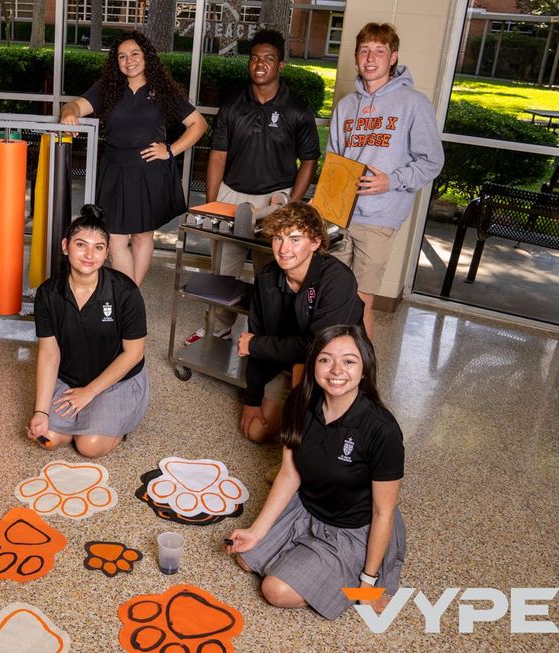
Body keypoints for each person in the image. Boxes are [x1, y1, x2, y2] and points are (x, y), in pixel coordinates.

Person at [226, 325, 406, 621]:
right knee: (246, 559)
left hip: (352, 528)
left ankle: (335, 575)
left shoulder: (382, 429)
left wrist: (367, 583)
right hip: (307, 507)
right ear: (313, 364)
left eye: (349, 361)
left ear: (365, 369)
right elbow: (289, 474)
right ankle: (305, 562)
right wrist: (256, 531)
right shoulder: (300, 401)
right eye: (325, 359)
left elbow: (382, 512)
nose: (336, 370)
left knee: (275, 590)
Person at [187, 29, 321, 345]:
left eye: (269, 59)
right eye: (255, 59)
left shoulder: (297, 109)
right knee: (224, 269)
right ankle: (218, 327)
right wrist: (213, 202)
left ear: (281, 65)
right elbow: (218, 156)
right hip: (232, 195)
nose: (260, 65)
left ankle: (266, 336)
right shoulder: (233, 105)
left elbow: (309, 161)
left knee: (272, 273)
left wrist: (292, 205)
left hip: (274, 200)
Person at [59, 31, 206, 287]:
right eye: (122, 56)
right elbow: (74, 106)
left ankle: (130, 295)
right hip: (115, 168)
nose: (129, 61)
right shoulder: (108, 88)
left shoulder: (163, 90)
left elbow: (198, 124)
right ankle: (130, 295)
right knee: (115, 240)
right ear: (116, 62)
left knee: (142, 236)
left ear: (146, 57)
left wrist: (170, 150)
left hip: (149, 169)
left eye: (135, 54)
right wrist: (68, 114)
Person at [327, 22, 444, 337]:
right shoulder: (346, 106)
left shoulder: (413, 103)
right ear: (356, 56)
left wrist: (391, 181)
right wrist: (323, 206)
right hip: (339, 217)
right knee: (332, 297)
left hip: (378, 219)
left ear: (393, 58)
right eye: (364, 50)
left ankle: (363, 366)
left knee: (360, 302)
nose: (370, 58)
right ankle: (331, 361)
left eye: (379, 51)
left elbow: (433, 161)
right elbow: (334, 163)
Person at [26, 204, 148, 459]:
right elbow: (49, 354)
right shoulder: (48, 293)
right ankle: (80, 425)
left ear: (107, 253)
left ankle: (109, 425)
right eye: (81, 244)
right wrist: (41, 412)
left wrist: (89, 393)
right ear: (65, 246)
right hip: (71, 378)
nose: (89, 254)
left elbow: (134, 354)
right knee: (47, 438)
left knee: (89, 447)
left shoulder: (125, 292)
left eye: (98, 247)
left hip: (117, 380)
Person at [237, 202, 363, 444]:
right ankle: (299, 418)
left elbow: (318, 347)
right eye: (278, 238)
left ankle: (307, 438)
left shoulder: (337, 280)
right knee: (256, 431)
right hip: (289, 361)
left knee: (308, 418)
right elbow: (255, 337)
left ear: (315, 243)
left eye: (295, 239)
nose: (284, 249)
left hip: (333, 367)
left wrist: (256, 345)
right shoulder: (267, 278)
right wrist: (252, 399)